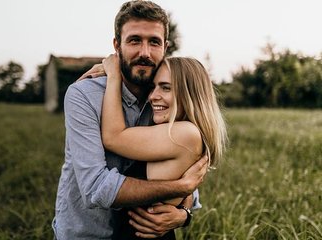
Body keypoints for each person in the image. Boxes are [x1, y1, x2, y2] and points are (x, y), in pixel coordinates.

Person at [53, 1, 209, 239]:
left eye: (154, 42)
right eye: (135, 40)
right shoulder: (84, 95)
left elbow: (185, 170)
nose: (144, 53)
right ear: (117, 46)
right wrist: (180, 188)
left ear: (165, 47)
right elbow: (95, 188)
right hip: (87, 234)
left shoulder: (165, 100)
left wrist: (184, 212)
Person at [100, 54, 227, 239]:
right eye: (153, 87)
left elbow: (113, 137)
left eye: (165, 88)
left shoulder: (185, 134)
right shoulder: (180, 132)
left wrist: (113, 76)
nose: (153, 96)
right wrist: (184, 206)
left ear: (190, 93)